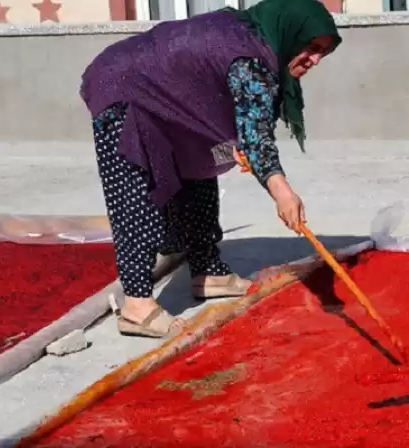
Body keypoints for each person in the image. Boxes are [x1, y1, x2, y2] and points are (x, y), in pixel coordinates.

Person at [79, 0, 342, 338]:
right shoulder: (251, 56)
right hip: (124, 88)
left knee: (197, 171)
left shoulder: (259, 44)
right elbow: (256, 136)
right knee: (137, 194)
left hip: (172, 96)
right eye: (312, 47)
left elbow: (246, 121)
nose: (315, 59)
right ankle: (136, 306)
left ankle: (207, 271)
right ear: (289, 33)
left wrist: (241, 144)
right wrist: (282, 191)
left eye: (323, 52)